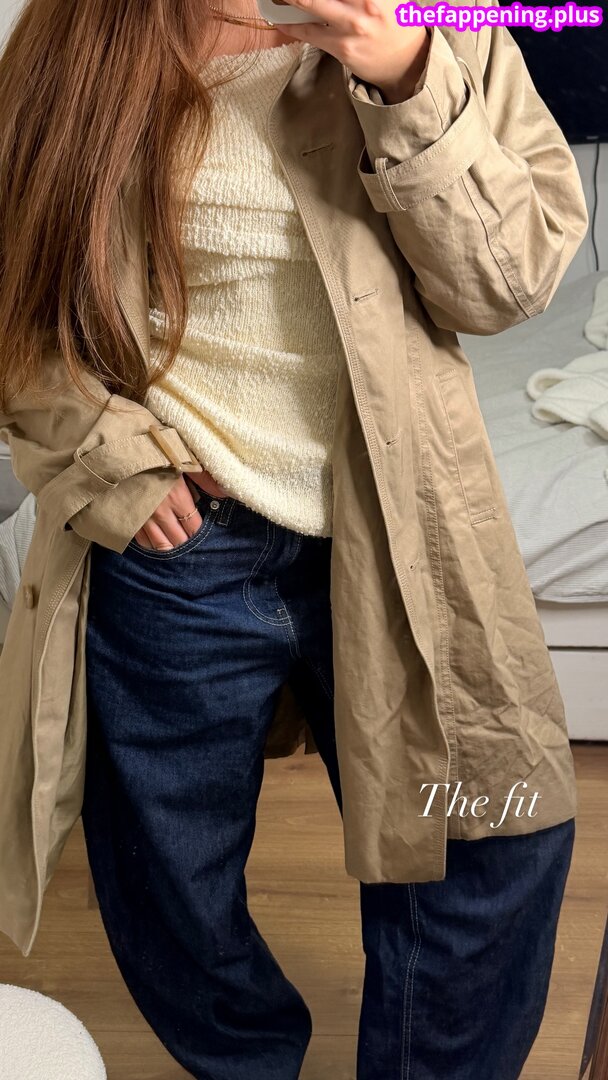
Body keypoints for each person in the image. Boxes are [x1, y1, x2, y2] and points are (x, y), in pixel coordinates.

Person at [0, 0, 588, 1077]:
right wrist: (105, 455)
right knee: (165, 880)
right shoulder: (80, 32)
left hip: (403, 525)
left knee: (493, 839)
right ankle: (246, 1063)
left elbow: (507, 282)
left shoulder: (436, 25)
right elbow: (16, 297)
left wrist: (401, 71)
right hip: (176, 547)